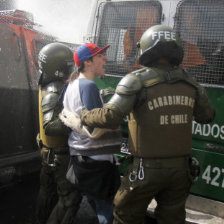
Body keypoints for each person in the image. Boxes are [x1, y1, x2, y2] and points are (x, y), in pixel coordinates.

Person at [80, 25, 216, 224]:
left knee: (126, 217)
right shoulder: (191, 83)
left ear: (145, 48)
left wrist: (84, 115)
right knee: (172, 219)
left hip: (146, 169)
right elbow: (207, 116)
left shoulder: (136, 80)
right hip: (180, 170)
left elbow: (111, 117)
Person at [62, 43, 122, 224]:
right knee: (108, 213)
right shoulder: (88, 86)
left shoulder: (73, 85)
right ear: (87, 62)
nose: (105, 58)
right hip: (97, 161)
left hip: (82, 158)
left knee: (98, 206)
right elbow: (97, 125)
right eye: (99, 56)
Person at [36, 42, 82, 224]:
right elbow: (50, 126)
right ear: (58, 68)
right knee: (70, 199)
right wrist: (79, 120)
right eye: (68, 65)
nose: (71, 68)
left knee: (47, 194)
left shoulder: (44, 80)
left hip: (48, 153)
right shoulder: (55, 88)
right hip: (59, 156)